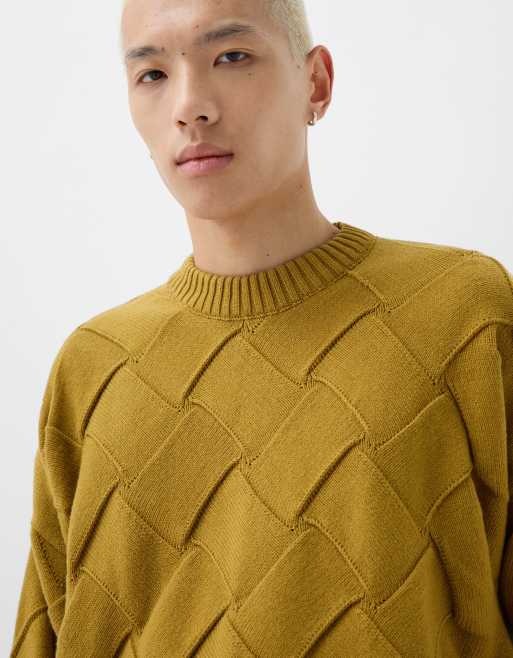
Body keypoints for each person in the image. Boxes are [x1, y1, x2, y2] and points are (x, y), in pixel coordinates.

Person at [10, 0, 513, 656]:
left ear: (316, 83)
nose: (190, 106)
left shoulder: (461, 314)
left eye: (231, 56)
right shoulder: (93, 367)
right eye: (152, 74)